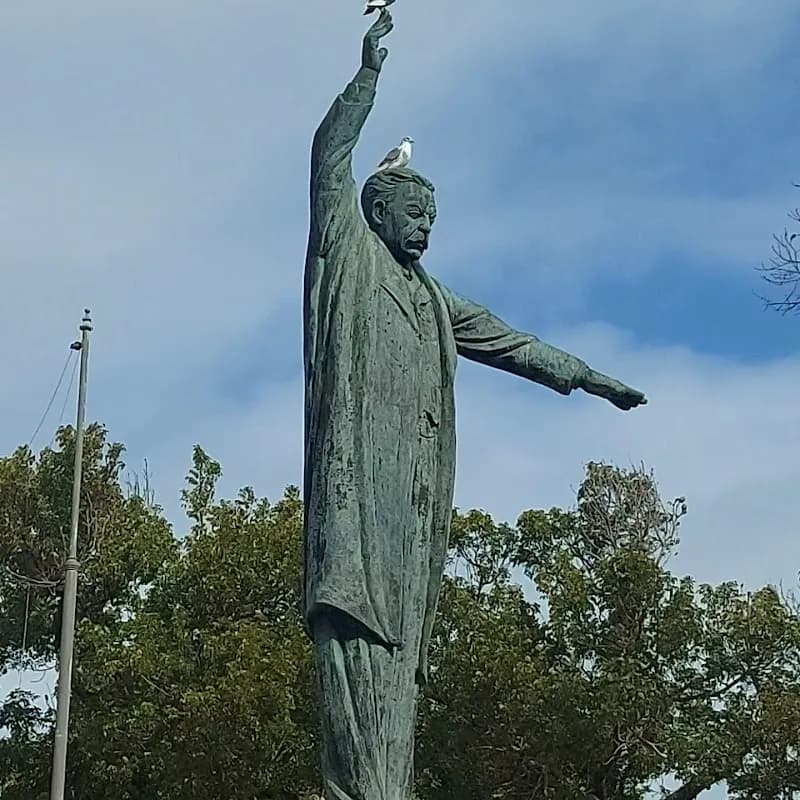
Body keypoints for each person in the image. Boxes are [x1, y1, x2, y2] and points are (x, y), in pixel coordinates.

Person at [302, 11, 647, 800]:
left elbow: (512, 341)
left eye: (433, 219)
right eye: (414, 215)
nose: (425, 228)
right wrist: (367, 79)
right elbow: (328, 159)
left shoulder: (430, 301)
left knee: (399, 688)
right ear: (377, 212)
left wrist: (591, 377)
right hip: (356, 523)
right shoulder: (346, 256)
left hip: (409, 527)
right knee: (356, 667)